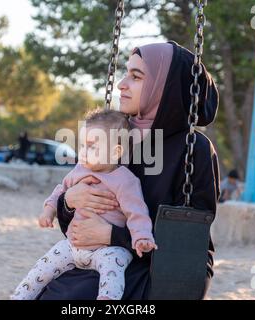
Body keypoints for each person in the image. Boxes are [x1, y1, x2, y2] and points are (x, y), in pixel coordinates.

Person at [36, 41, 220, 300]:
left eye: (136, 76)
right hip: (105, 255)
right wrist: (69, 202)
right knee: (50, 290)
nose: (122, 84)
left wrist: (114, 235)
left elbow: (187, 244)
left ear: (163, 88)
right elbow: (77, 229)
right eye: (125, 73)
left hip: (165, 269)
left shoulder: (193, 148)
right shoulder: (117, 136)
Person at [11, 109, 157, 300]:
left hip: (108, 249)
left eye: (92, 146)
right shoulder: (79, 170)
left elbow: (136, 213)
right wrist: (49, 210)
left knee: (113, 270)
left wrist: (141, 237)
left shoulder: (125, 180)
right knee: (43, 266)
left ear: (116, 151)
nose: (84, 152)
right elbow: (60, 191)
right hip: (73, 246)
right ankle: (21, 296)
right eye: (82, 145)